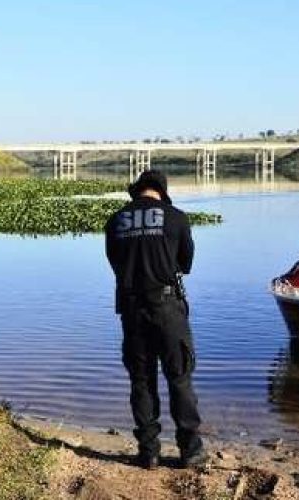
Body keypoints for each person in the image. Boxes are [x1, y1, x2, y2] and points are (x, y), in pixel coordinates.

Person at [104, 170, 203, 470]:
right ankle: (191, 451)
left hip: (132, 310)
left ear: (137, 191)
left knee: (142, 380)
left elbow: (115, 264)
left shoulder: (115, 221)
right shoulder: (176, 217)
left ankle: (149, 453)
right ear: (161, 191)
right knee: (179, 378)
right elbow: (185, 264)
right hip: (168, 307)